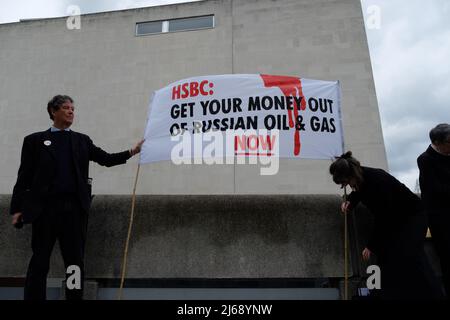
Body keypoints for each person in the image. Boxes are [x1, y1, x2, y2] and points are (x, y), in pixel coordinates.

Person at [9, 95, 144, 300]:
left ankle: (74, 298)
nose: (71, 111)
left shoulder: (81, 140)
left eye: (73, 108)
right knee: (40, 260)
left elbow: (105, 159)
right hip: (45, 210)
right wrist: (17, 209)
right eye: (66, 108)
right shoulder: (34, 141)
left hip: (73, 209)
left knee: (74, 261)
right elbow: (24, 177)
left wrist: (131, 152)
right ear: (53, 112)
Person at [329, 151, 443, 300]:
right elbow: (358, 192)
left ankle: (433, 295)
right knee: (384, 258)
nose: (346, 186)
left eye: (345, 182)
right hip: (395, 218)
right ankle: (381, 294)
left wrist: (371, 245)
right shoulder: (361, 178)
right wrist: (350, 201)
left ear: (352, 175)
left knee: (413, 256)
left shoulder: (377, 180)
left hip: (412, 216)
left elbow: (384, 218)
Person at [417, 123, 450, 297]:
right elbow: (436, 189)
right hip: (441, 219)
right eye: (449, 143)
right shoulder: (425, 159)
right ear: (437, 142)